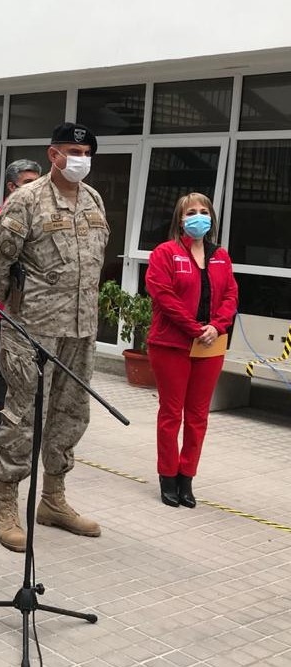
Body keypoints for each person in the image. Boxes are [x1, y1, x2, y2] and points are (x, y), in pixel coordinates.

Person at [0, 122, 108, 553]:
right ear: (53, 154)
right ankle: (7, 504)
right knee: (22, 415)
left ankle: (53, 499)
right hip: (32, 329)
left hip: (80, 329)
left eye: (87, 151)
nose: (81, 158)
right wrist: (9, 317)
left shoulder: (93, 200)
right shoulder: (25, 201)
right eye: (73, 150)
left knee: (71, 413)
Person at [145, 193, 238, 508]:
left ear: (211, 217)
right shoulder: (166, 253)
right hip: (172, 344)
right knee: (171, 413)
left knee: (198, 416)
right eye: (191, 212)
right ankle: (167, 477)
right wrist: (194, 327)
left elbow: (230, 295)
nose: (198, 217)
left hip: (210, 344)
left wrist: (217, 325)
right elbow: (162, 294)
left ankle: (187, 478)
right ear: (180, 219)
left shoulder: (221, 256)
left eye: (204, 211)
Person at [0, 159, 43, 447]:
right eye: (28, 183)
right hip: (7, 305)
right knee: (3, 367)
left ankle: (20, 420)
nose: (36, 189)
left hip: (34, 307)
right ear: (11, 186)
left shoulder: (39, 214)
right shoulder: (2, 215)